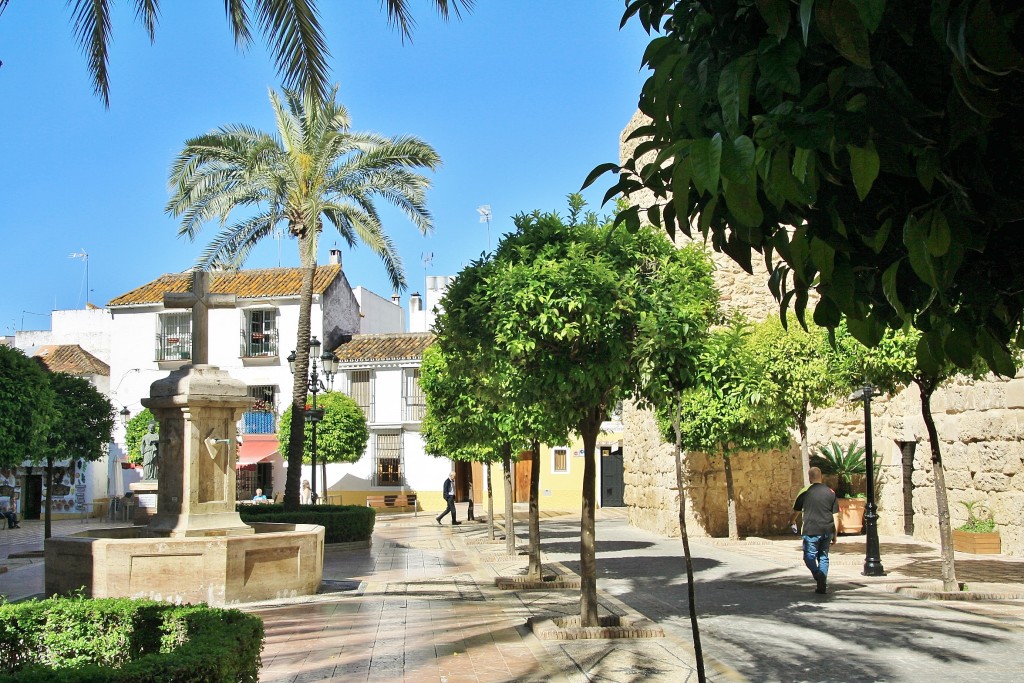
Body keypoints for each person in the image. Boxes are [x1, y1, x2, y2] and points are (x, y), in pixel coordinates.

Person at [790, 466, 839, 594]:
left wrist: (792, 521)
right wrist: (835, 533)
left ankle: (819, 576)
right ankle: (821, 581)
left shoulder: (805, 492)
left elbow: (796, 510)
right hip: (827, 530)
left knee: (808, 557)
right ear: (821, 477)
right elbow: (836, 515)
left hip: (811, 530)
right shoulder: (831, 492)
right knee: (823, 556)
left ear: (810, 478)